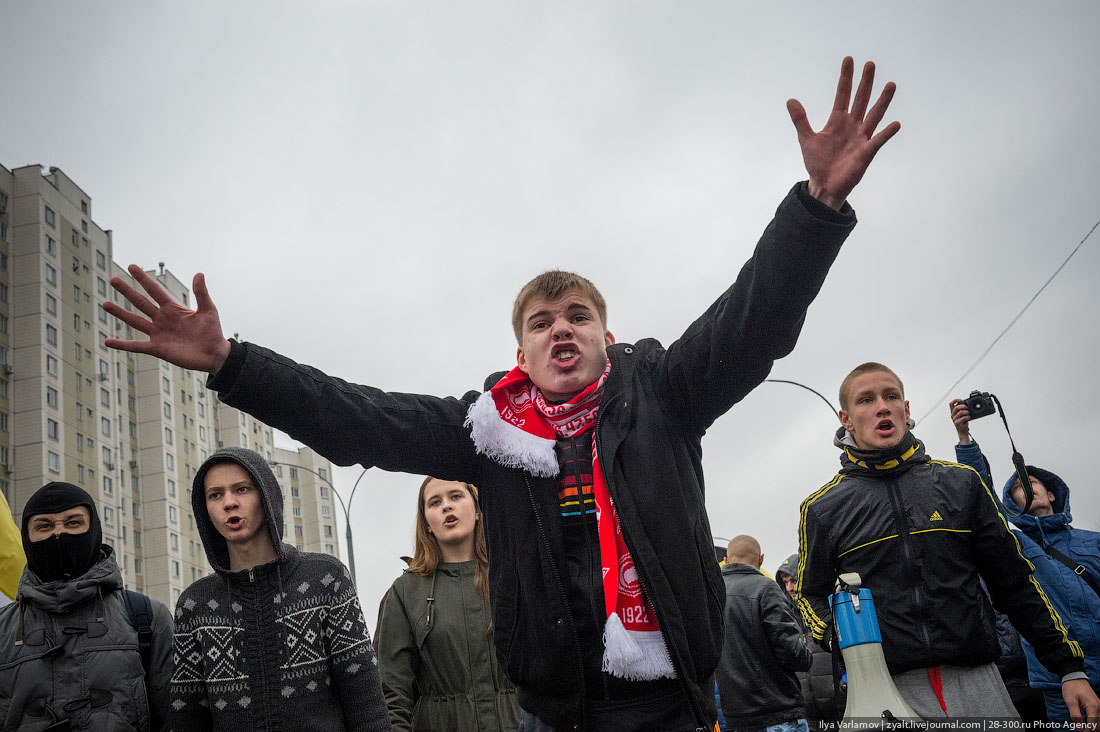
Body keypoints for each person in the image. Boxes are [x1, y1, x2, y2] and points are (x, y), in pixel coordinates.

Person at [105, 57, 900, 731]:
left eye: (580, 316)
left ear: (606, 337)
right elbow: (357, 417)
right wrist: (231, 361)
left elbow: (753, 319)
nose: (563, 329)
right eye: (543, 320)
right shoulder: (485, 430)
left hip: (673, 704)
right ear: (517, 350)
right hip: (549, 712)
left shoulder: (665, 392)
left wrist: (816, 208)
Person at [797, 363, 1099, 723]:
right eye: (867, 400)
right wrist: (840, 639)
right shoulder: (822, 508)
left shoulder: (962, 483)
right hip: (887, 690)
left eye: (891, 396)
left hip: (979, 681)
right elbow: (808, 594)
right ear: (846, 419)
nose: (882, 407)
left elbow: (1015, 584)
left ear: (906, 411)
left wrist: (1068, 668)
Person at [169, 447, 390, 731]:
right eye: (216, 495)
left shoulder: (326, 578)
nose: (229, 502)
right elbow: (186, 718)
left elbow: (366, 701)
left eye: (242, 489)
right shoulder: (194, 604)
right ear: (206, 511)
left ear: (266, 496)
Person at [950, 399, 1100, 723]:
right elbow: (981, 496)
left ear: (1051, 495)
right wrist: (964, 438)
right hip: (1061, 678)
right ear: (1011, 503)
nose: (1026, 487)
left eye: (1031, 482)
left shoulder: (1093, 540)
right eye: (1017, 486)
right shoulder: (1015, 543)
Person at [0, 481, 173, 731]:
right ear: (27, 537)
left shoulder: (147, 617)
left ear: (94, 530)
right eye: (44, 526)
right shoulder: (4, 629)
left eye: (73, 523)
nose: (58, 535)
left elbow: (174, 719)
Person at [377, 477, 519, 731]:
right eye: (435, 502)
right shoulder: (405, 592)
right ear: (427, 525)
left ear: (477, 510)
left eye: (455, 496)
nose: (446, 507)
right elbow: (392, 693)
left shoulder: (512, 576)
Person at [715, 536, 811, 732]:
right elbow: (791, 652)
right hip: (776, 712)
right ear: (761, 559)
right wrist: (807, 656)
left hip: (734, 717)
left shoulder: (713, 593)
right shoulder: (766, 588)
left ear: (726, 560)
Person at [774, 554, 844, 728]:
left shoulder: (830, 610)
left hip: (841, 700)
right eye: (785, 582)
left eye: (794, 580)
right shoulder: (783, 617)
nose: (790, 587)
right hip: (808, 710)